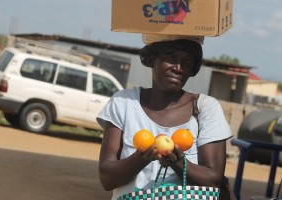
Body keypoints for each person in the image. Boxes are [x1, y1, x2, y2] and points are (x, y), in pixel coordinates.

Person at [96, 33, 234, 200]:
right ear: (153, 58)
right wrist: (141, 159)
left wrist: (178, 163)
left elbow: (213, 180)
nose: (178, 68)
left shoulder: (205, 108)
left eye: (187, 63)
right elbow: (106, 179)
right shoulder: (124, 102)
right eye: (171, 58)